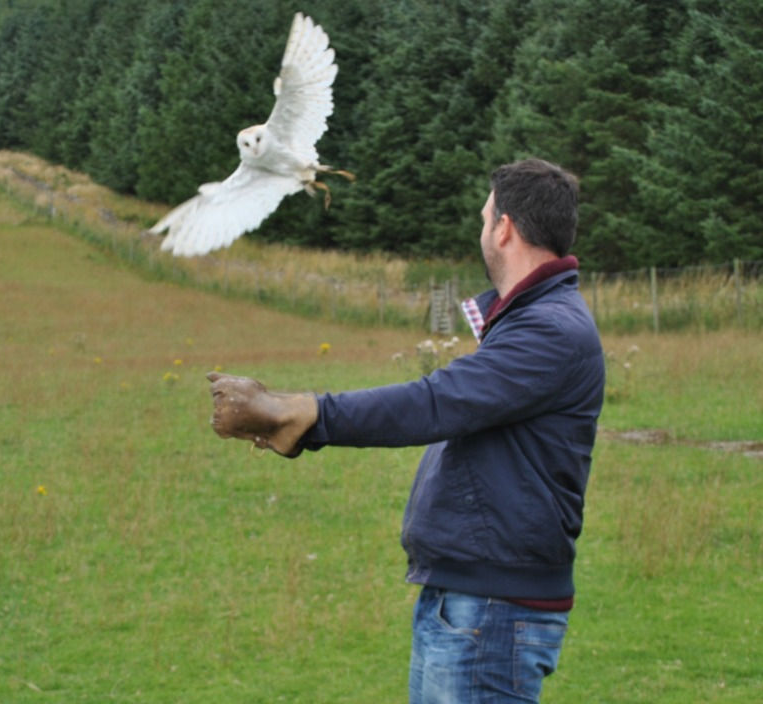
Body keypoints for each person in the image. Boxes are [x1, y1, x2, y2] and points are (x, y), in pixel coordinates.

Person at [207, 158, 605, 703]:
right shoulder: (534, 320)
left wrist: (304, 413)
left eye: (485, 217)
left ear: (505, 228)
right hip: (471, 600)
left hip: (491, 608)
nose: (482, 229)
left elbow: (435, 402)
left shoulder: (548, 330)